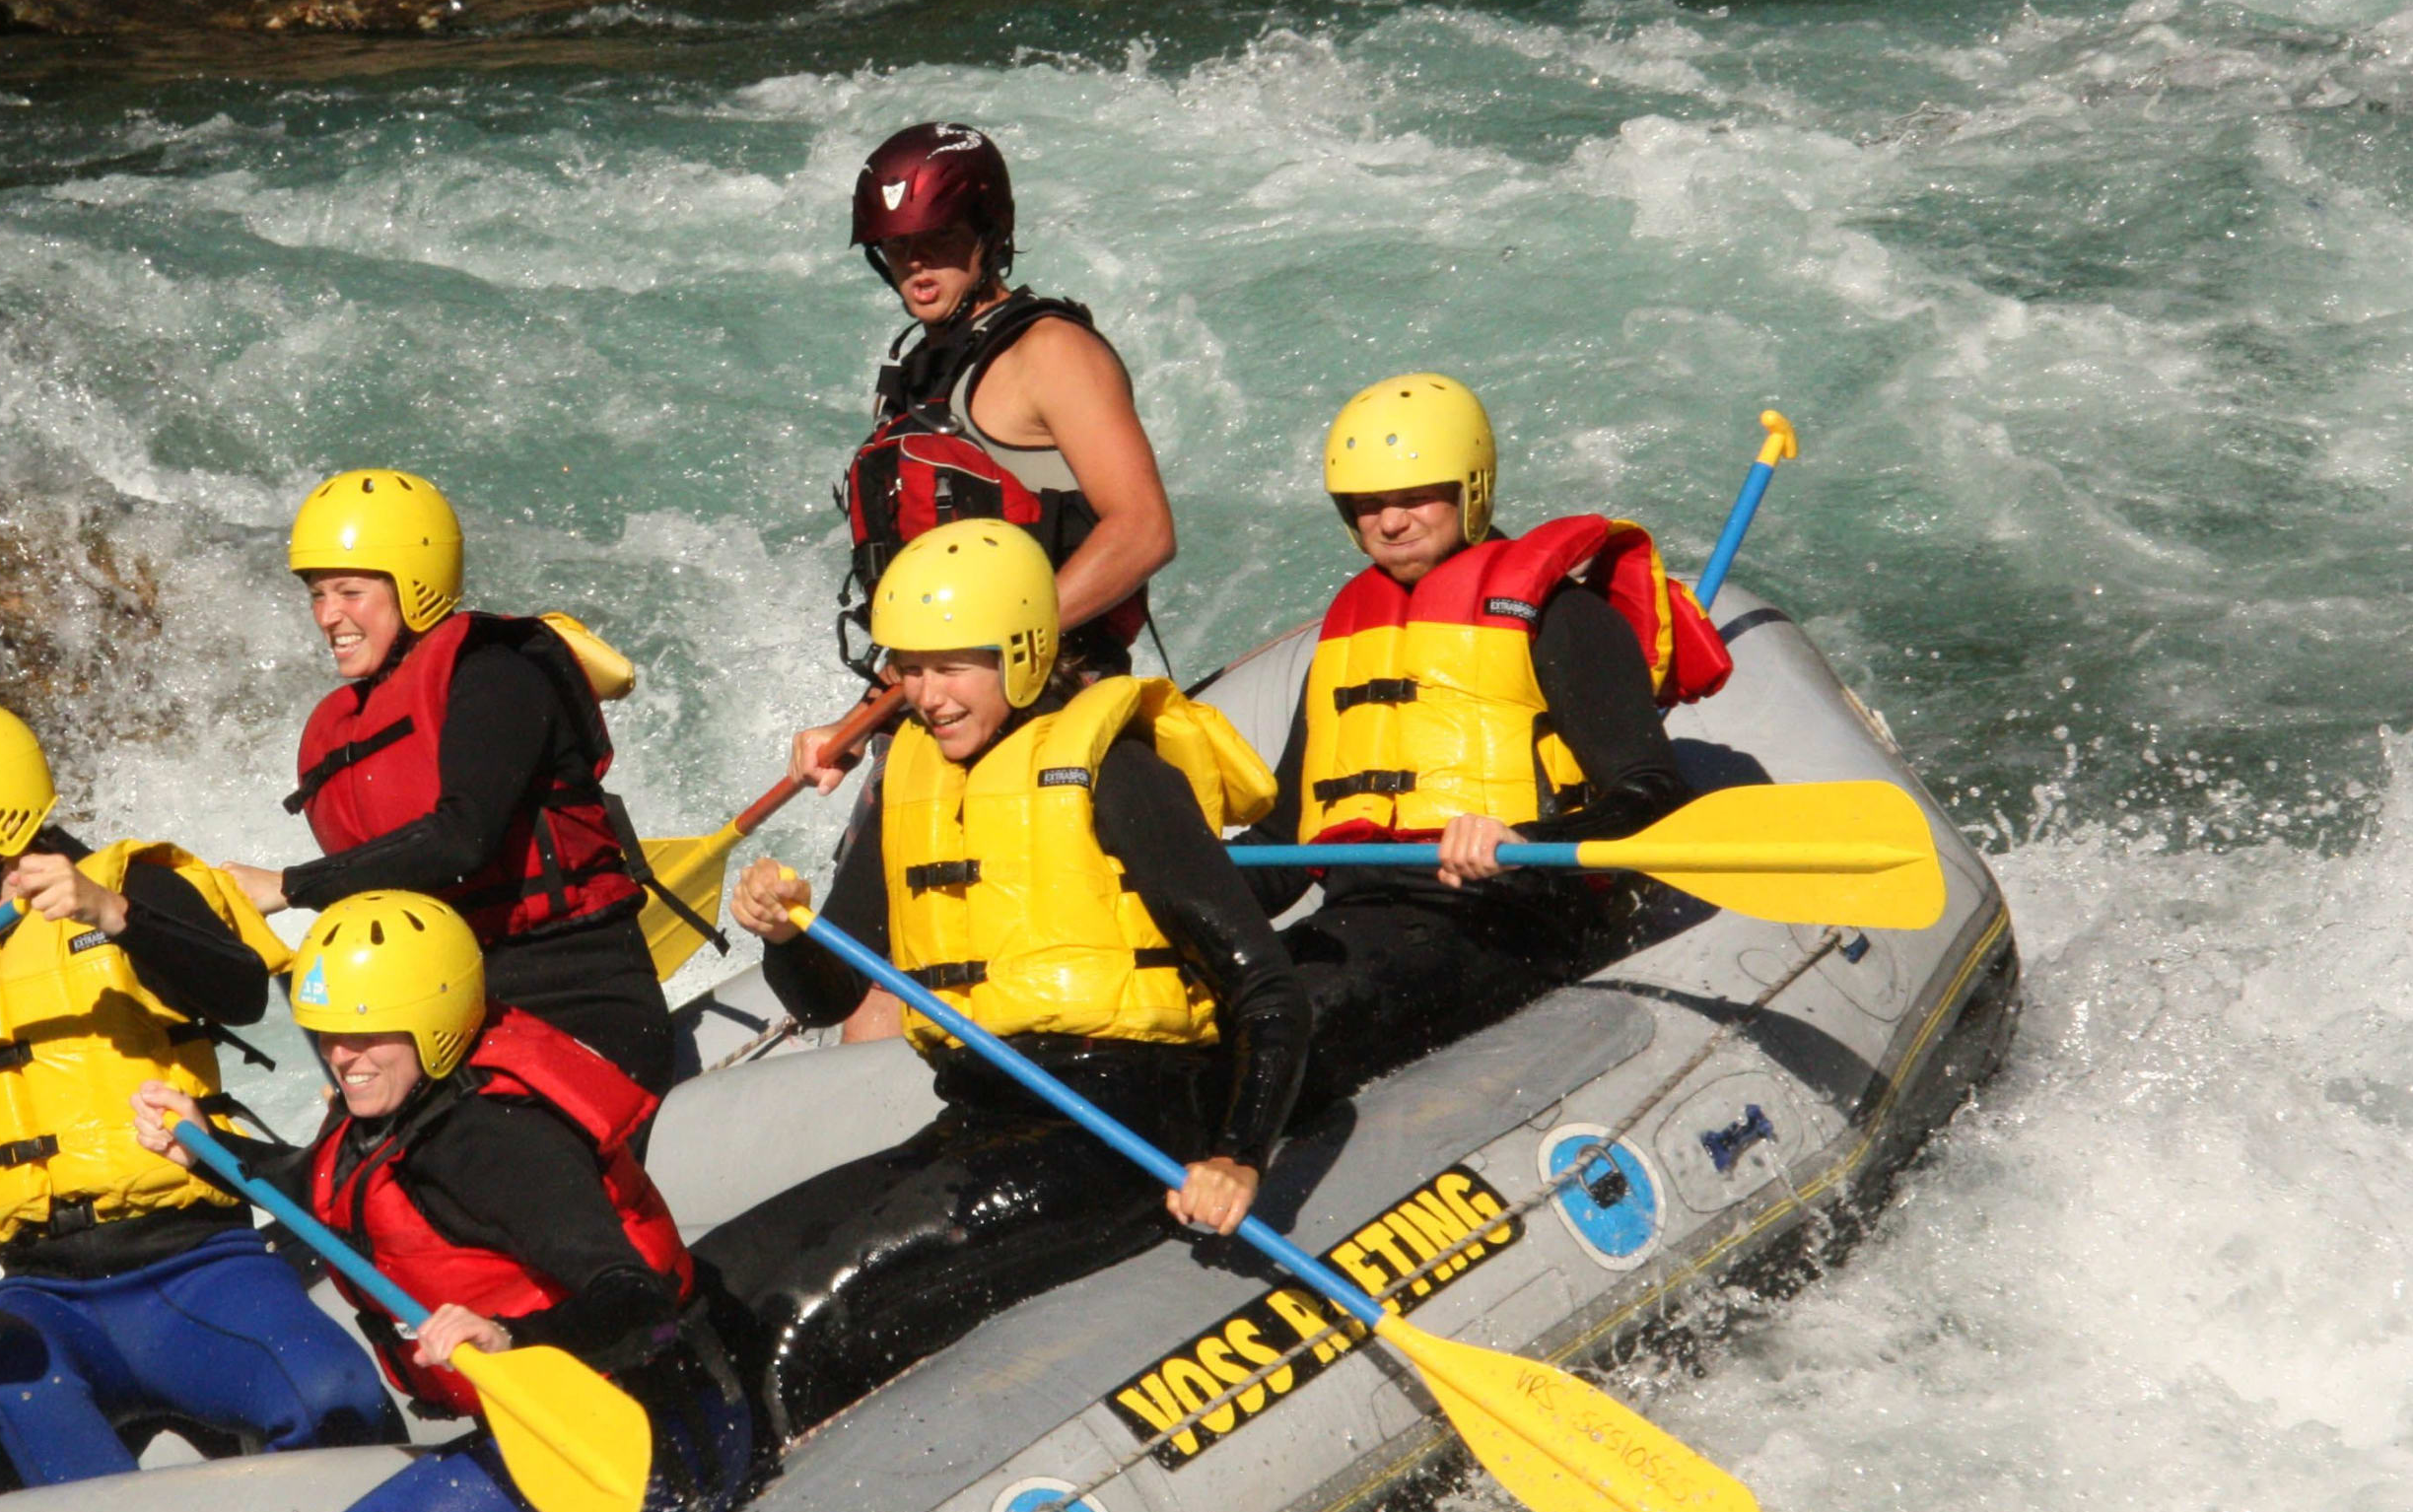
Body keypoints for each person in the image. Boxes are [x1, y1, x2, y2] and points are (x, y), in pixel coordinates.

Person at [719, 521, 1312, 1436]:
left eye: (953, 667)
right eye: (909, 670)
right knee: (724, 1270)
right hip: (987, 1120)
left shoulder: (1116, 772)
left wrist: (1238, 1155)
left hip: (1126, 1124)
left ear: (1026, 652)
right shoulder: (916, 774)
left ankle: (738, 1481)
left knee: (809, 1303)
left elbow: (1268, 989)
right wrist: (783, 932)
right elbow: (825, 998)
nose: (926, 696)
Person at [130, 892, 755, 1512]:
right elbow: (337, 1196)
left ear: (433, 1020)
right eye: (327, 1034)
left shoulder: (496, 1143)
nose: (341, 1057)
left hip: (646, 1442)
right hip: (539, 1431)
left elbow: (641, 1308)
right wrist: (210, 1148)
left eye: (366, 1036)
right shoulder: (396, 1107)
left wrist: (509, 1338)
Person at [0, 699, 401, 1487]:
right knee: (11, 1391)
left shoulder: (131, 883)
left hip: (191, 1268)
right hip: (45, 1300)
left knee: (337, 1399)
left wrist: (114, 916)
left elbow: (239, 989)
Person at [1257, 373, 1733, 1104]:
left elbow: (1651, 792)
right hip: (1367, 921)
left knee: (1289, 1023)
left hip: (1513, 920)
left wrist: (1522, 839)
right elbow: (1287, 839)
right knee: (1209, 1012)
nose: (1389, 523)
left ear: (1471, 490)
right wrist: (1166, 895)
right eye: (1367, 505)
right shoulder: (1351, 639)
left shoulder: (1561, 619)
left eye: (1415, 497)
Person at [226, 467, 682, 1093]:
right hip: (446, 1009)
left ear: (415, 583)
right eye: (316, 595)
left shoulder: (496, 675)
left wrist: (287, 886)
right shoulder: (350, 721)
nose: (328, 616)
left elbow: (461, 841)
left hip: (572, 987)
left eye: (349, 592)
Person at [801, 121, 1183, 790]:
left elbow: (1143, 530)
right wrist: (858, 723)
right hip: (943, 715)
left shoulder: (1052, 353)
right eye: (897, 248)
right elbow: (937, 615)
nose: (917, 266)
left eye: (939, 240)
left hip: (1056, 704)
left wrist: (1005, 644)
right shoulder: (917, 375)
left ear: (989, 235)